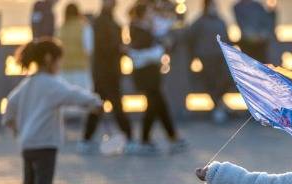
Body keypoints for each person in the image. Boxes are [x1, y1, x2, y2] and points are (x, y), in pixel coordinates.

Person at [2, 38, 102, 184]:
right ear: (49, 60)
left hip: (27, 144)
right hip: (45, 144)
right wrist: (95, 103)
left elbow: (10, 105)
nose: (59, 66)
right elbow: (74, 94)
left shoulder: (27, 83)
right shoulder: (51, 84)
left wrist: (14, 128)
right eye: (58, 61)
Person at [128, 1, 188, 154]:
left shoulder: (144, 29)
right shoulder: (138, 30)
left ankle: (170, 137)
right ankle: (146, 140)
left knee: (159, 105)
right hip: (146, 74)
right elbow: (140, 55)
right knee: (154, 105)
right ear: (142, 15)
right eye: (149, 12)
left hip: (151, 73)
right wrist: (162, 48)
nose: (152, 15)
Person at [80, 0, 136, 154]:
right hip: (105, 71)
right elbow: (104, 46)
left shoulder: (109, 20)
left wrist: (121, 49)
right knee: (115, 105)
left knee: (98, 105)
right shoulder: (101, 22)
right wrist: (120, 49)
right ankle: (129, 138)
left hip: (109, 70)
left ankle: (86, 139)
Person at [187, 0, 231, 123]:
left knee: (226, 79)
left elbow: (227, 38)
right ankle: (218, 107)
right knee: (211, 81)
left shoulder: (220, 20)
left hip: (221, 56)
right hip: (206, 56)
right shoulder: (199, 22)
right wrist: (194, 55)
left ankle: (220, 105)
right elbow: (190, 37)